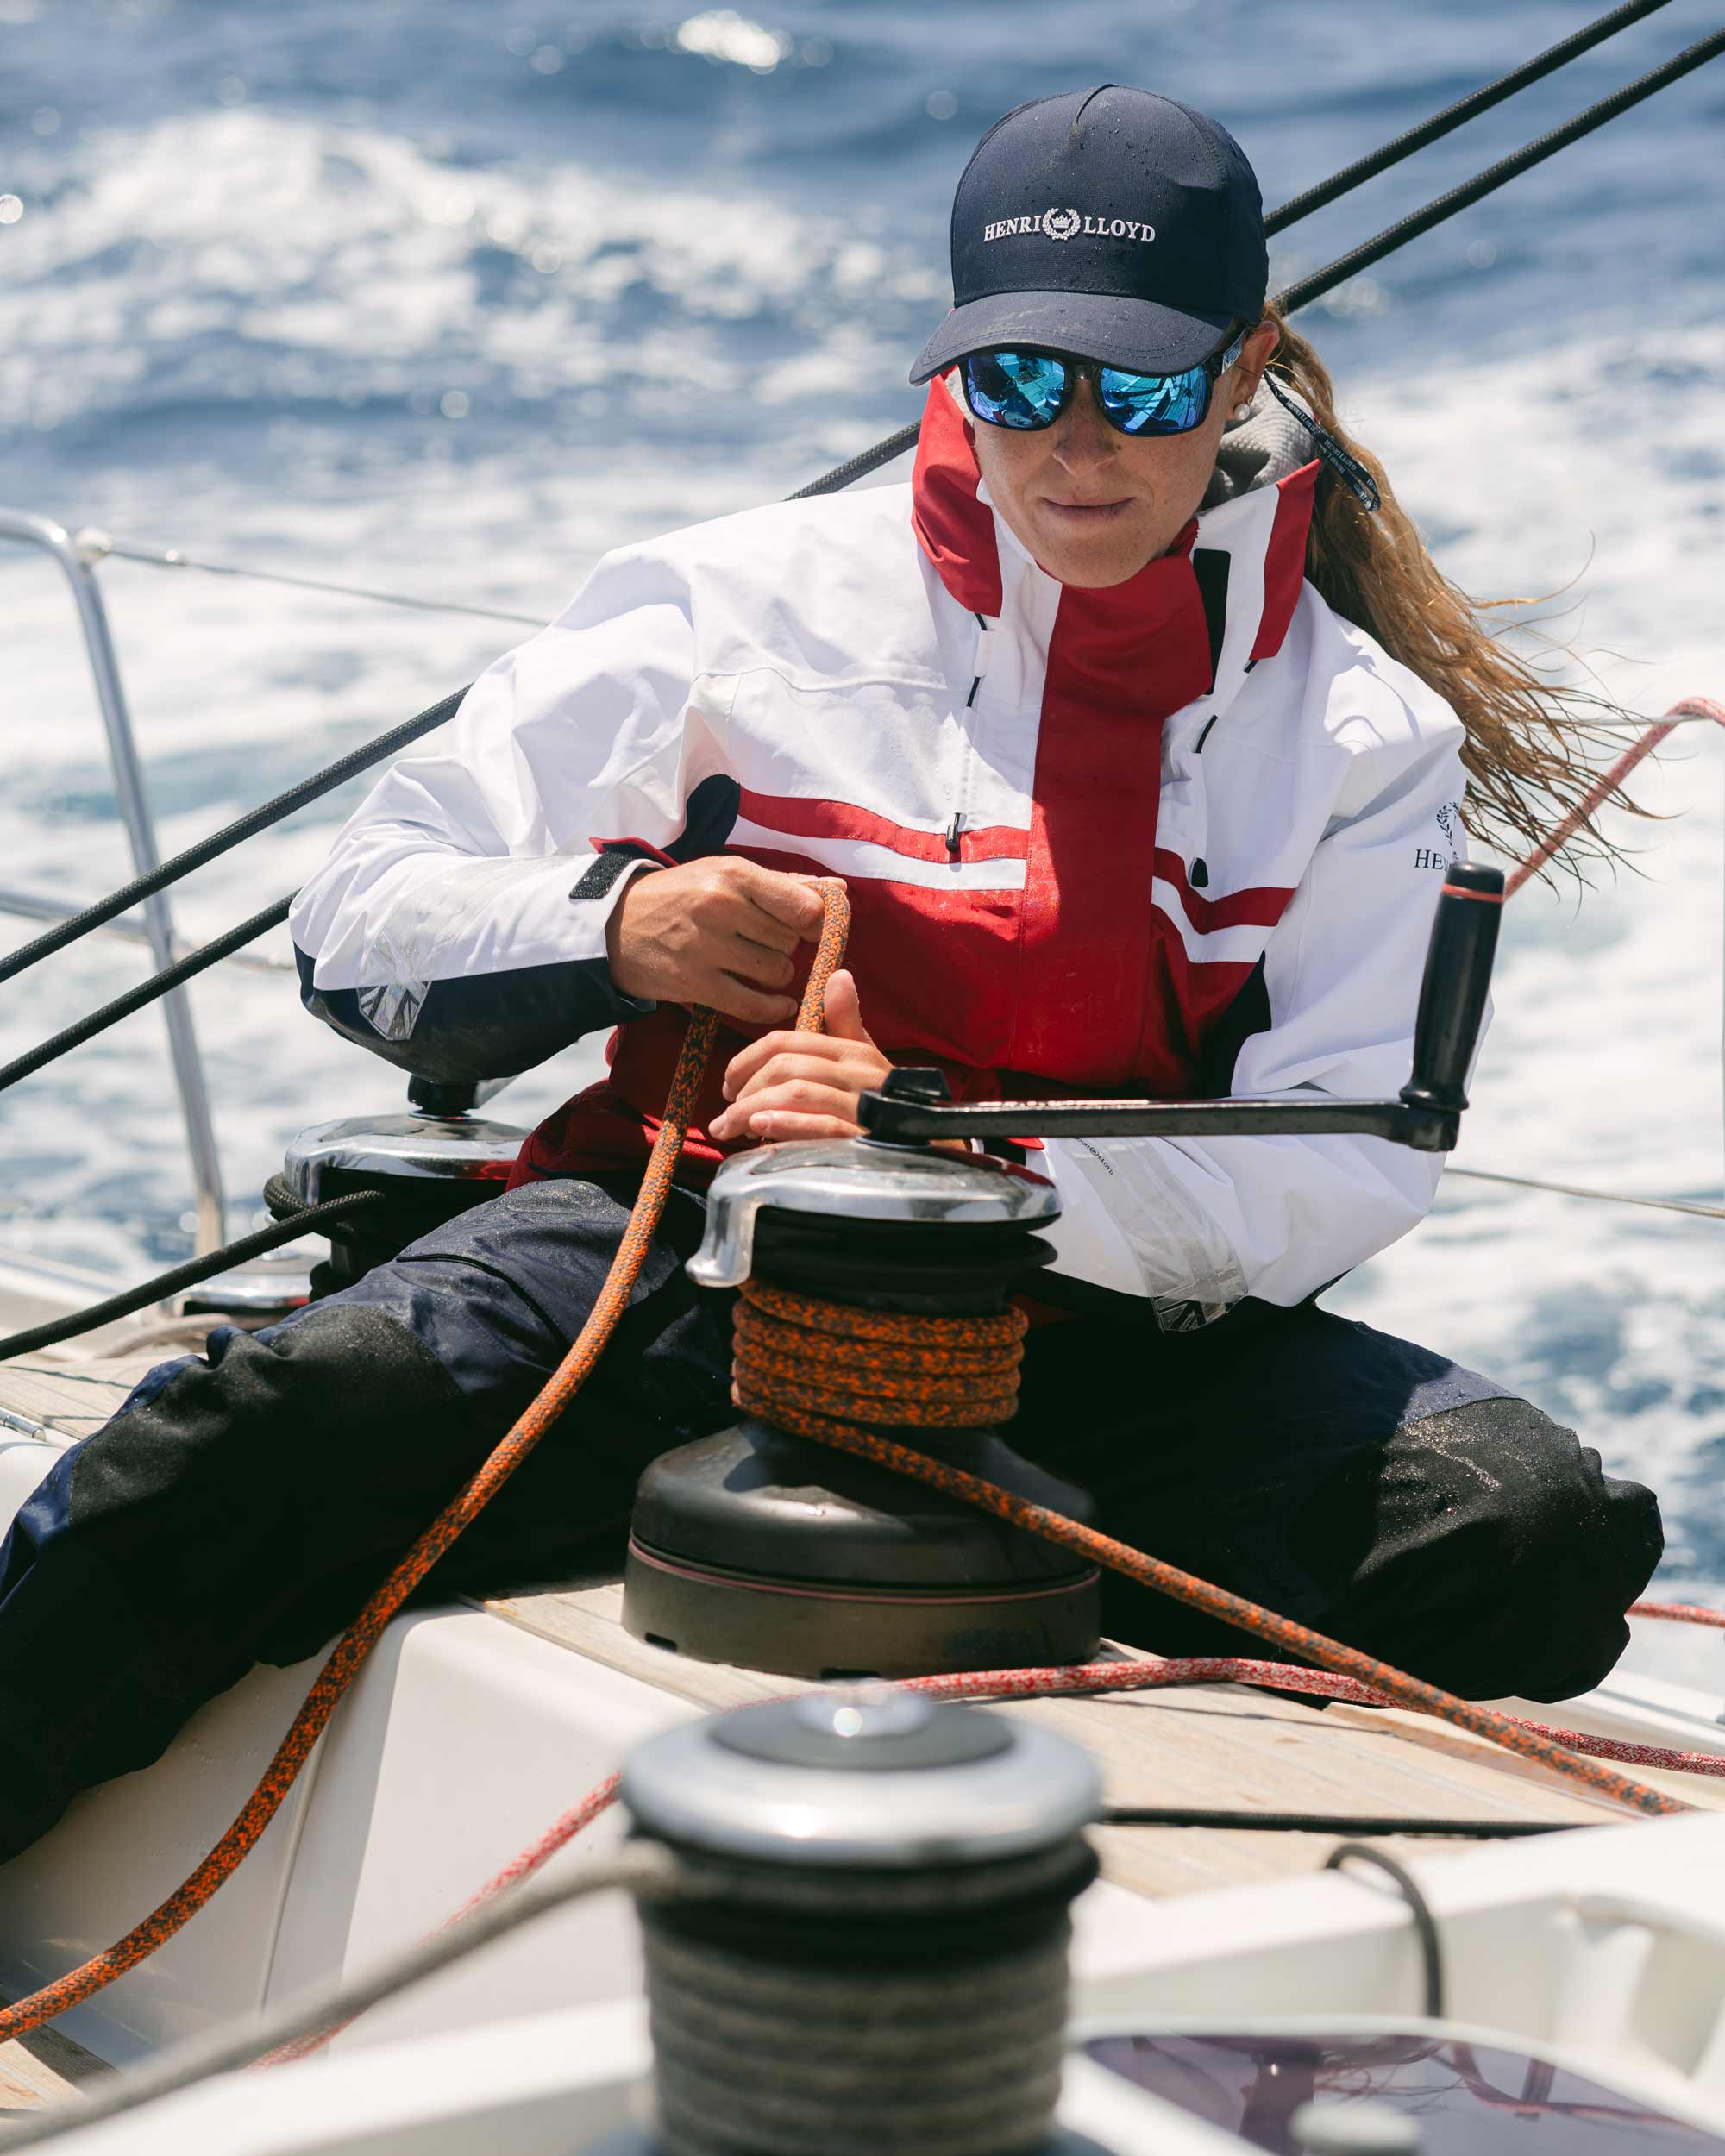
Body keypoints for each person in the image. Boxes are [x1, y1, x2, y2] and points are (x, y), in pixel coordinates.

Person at [0, 86, 1659, 1865]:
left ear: (1245, 369)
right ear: (952, 365)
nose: (1074, 448)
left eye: (1142, 392)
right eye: (1018, 381)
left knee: (1528, 1535)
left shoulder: (1360, 734)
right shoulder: (729, 604)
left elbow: (1346, 1156)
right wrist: (615, 927)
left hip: (1105, 1347)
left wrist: (950, 1158)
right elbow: (356, 913)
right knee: (282, 1422)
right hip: (683, 1260)